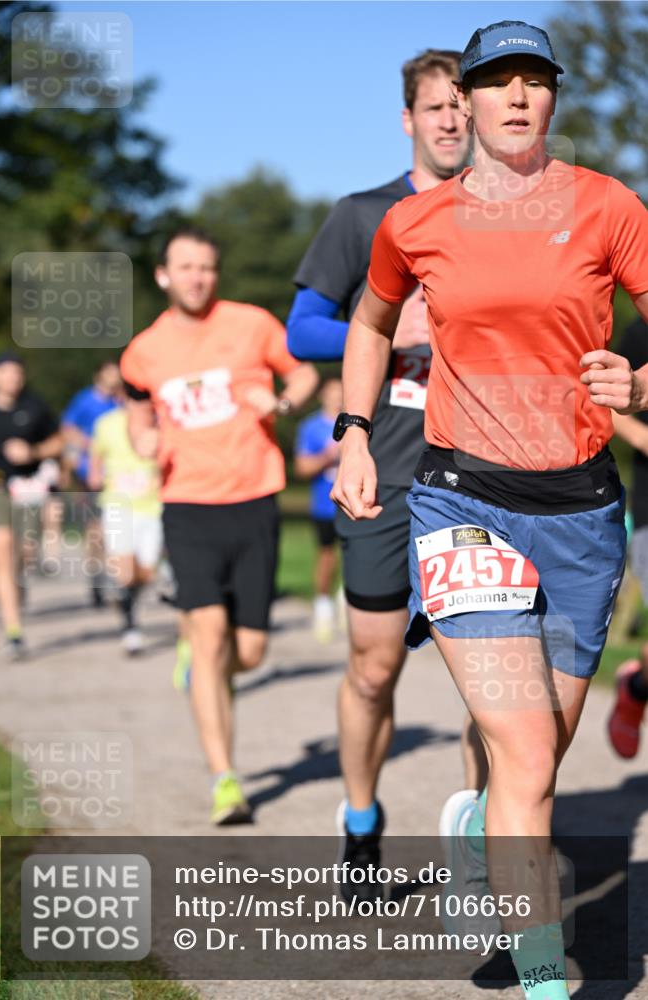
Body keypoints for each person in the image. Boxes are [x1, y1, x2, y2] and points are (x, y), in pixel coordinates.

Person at [331, 19, 648, 1000]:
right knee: (519, 747)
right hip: (461, 498)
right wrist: (351, 429)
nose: (515, 96)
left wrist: (635, 376)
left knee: (539, 756)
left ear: (553, 100)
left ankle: (483, 828)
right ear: (461, 103)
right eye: (495, 81)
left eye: (532, 81)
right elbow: (372, 318)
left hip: (585, 509)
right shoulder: (414, 224)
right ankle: (547, 976)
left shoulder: (607, 206)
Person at [287, 48, 485, 894]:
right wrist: (397, 333)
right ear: (409, 119)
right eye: (433, 107)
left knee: (489, 670)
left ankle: (482, 836)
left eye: (459, 107)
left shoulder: (506, 217)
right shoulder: (363, 214)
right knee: (373, 666)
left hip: (484, 471)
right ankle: (362, 820)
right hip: (384, 470)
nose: (449, 120)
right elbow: (301, 331)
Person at [120, 227, 318, 825]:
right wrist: (143, 439)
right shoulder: (144, 351)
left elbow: (302, 376)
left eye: (206, 267)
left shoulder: (252, 324)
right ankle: (225, 780)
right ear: (163, 275)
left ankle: (207, 665)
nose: (197, 277)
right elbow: (137, 416)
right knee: (207, 638)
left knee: (249, 653)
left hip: (255, 498)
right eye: (185, 267)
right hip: (187, 504)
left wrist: (282, 404)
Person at [0, 352, 62, 658]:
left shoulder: (35, 407)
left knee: (24, 553)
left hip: (29, 489)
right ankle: (14, 632)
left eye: (17, 373)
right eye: (6, 373)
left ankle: (9, 581)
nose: (12, 379)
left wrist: (33, 451)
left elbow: (58, 441)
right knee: (1, 545)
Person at [88, 386, 163, 655]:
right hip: (118, 504)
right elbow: (96, 452)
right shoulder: (107, 424)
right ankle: (130, 627)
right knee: (126, 570)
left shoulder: (163, 423)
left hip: (153, 506)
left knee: (147, 572)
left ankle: (125, 596)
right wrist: (95, 474)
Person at [608, 317, 648, 758]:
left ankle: (638, 685)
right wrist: (643, 437)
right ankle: (637, 689)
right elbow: (606, 407)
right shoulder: (640, 332)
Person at [61, 360, 122, 607]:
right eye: (109, 373)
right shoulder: (84, 400)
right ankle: (97, 577)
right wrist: (90, 446)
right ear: (99, 375)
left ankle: (119, 577)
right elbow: (67, 428)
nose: (114, 378)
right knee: (96, 529)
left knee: (116, 527)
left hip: (119, 474)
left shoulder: (121, 401)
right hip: (91, 473)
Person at [294, 377, 343, 642]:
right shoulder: (311, 427)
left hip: (357, 499)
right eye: (333, 392)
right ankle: (323, 606)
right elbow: (302, 468)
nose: (338, 396)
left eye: (342, 391)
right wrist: (329, 455)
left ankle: (346, 600)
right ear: (323, 395)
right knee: (327, 555)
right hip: (325, 503)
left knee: (359, 552)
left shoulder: (360, 423)